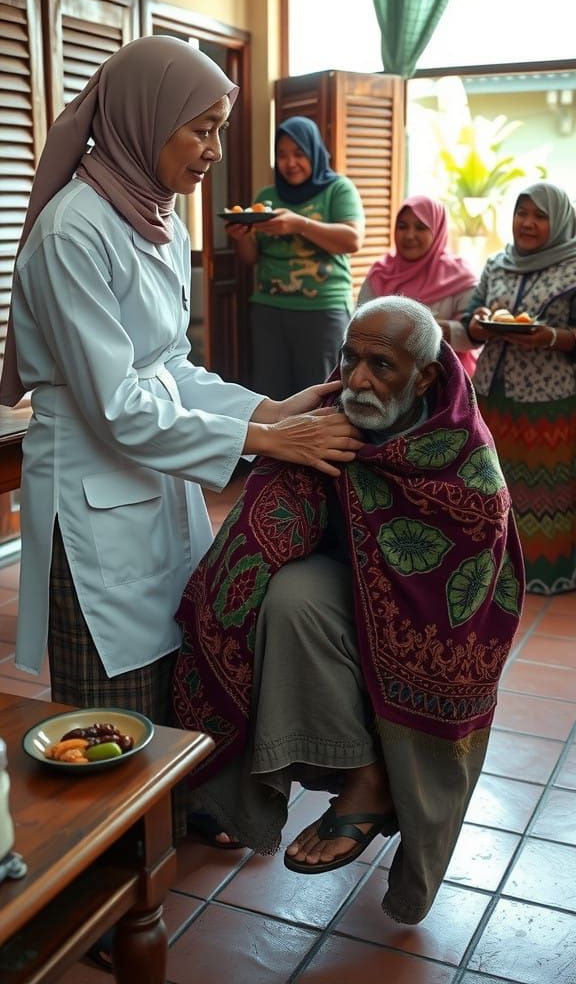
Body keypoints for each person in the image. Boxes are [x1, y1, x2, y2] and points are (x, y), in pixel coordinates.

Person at [0, 36, 364, 729]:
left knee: (179, 673)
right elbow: (118, 406)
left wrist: (270, 410)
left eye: (219, 131)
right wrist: (265, 440)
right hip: (93, 503)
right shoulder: (72, 234)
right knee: (112, 711)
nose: (215, 151)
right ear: (145, 118)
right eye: (202, 130)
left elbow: (168, 363)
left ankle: (172, 823)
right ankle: (115, 841)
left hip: (153, 487)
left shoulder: (151, 214)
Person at [173, 297, 525, 925]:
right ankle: (363, 776)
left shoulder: (462, 452)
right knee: (286, 597)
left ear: (423, 377)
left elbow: (472, 585)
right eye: (351, 359)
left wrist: (386, 610)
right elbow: (267, 523)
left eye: (381, 366)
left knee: (359, 631)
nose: (358, 380)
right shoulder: (333, 422)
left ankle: (397, 804)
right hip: (345, 602)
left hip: (435, 633)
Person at [463, 181, 576, 595]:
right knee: (493, 482)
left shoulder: (573, 265)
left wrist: (549, 337)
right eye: (521, 213)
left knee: (544, 487)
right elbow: (472, 317)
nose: (527, 223)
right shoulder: (497, 263)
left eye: (540, 216)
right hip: (492, 393)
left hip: (549, 399)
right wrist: (476, 322)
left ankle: (545, 571)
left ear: (559, 220)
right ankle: (495, 568)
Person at [225, 115, 365, 397]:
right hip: (269, 308)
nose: (290, 163)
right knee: (271, 392)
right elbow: (251, 258)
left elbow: (352, 240)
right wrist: (242, 237)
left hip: (322, 310)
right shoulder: (267, 195)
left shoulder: (338, 189)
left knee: (322, 394)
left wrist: (300, 224)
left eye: (299, 153)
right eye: (282, 155)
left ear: (314, 152)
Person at [358, 195, 479, 376]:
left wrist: (410, 328)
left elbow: (470, 336)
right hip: (383, 377)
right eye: (402, 227)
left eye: (421, 227)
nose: (409, 235)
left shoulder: (459, 275)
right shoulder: (381, 273)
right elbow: (360, 325)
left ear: (437, 230)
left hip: (446, 378)